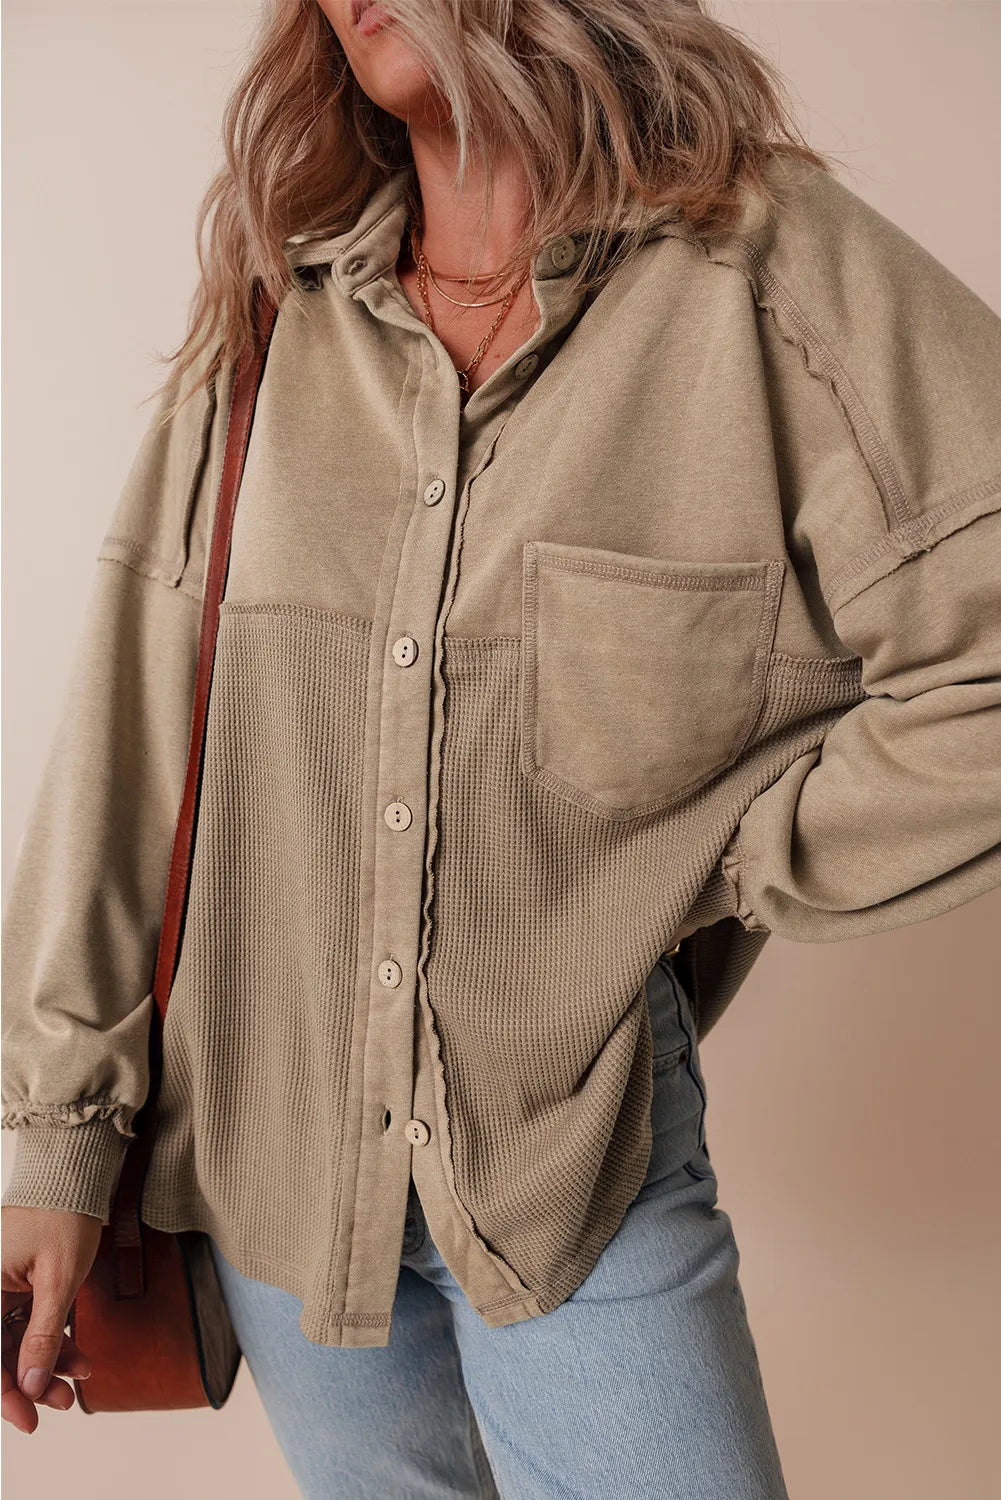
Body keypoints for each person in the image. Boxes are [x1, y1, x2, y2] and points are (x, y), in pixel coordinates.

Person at [3, 2, 1000, 1495]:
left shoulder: (763, 268)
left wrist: (736, 856)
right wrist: (56, 1141)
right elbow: (129, 736)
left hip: (572, 1163)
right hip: (271, 1168)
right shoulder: (277, 314)